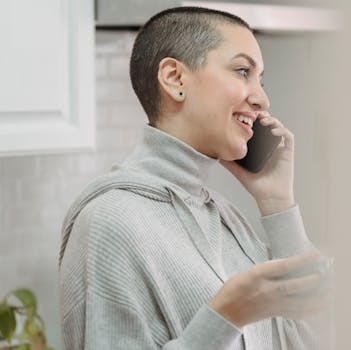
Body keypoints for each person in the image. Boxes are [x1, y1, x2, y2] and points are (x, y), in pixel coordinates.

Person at [59, 6, 330, 350]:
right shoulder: (110, 221)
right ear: (174, 79)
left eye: (260, 79)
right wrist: (226, 315)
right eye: (243, 71)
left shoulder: (225, 217)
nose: (262, 98)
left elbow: (313, 341)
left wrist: (277, 203)